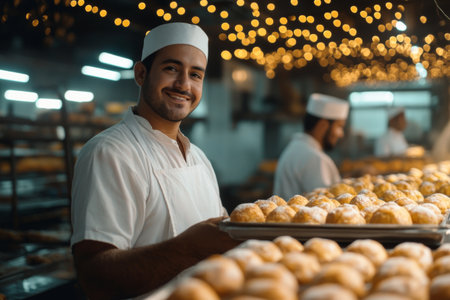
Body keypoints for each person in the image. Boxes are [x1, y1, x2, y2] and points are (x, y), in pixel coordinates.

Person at [70, 22, 239, 300]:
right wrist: (189, 248)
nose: (184, 85)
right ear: (141, 73)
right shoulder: (110, 152)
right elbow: (94, 278)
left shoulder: (199, 158)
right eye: (171, 68)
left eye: (195, 75)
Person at [273, 93, 349, 199]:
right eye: (339, 126)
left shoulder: (296, 148)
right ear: (323, 125)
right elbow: (328, 206)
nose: (341, 134)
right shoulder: (315, 159)